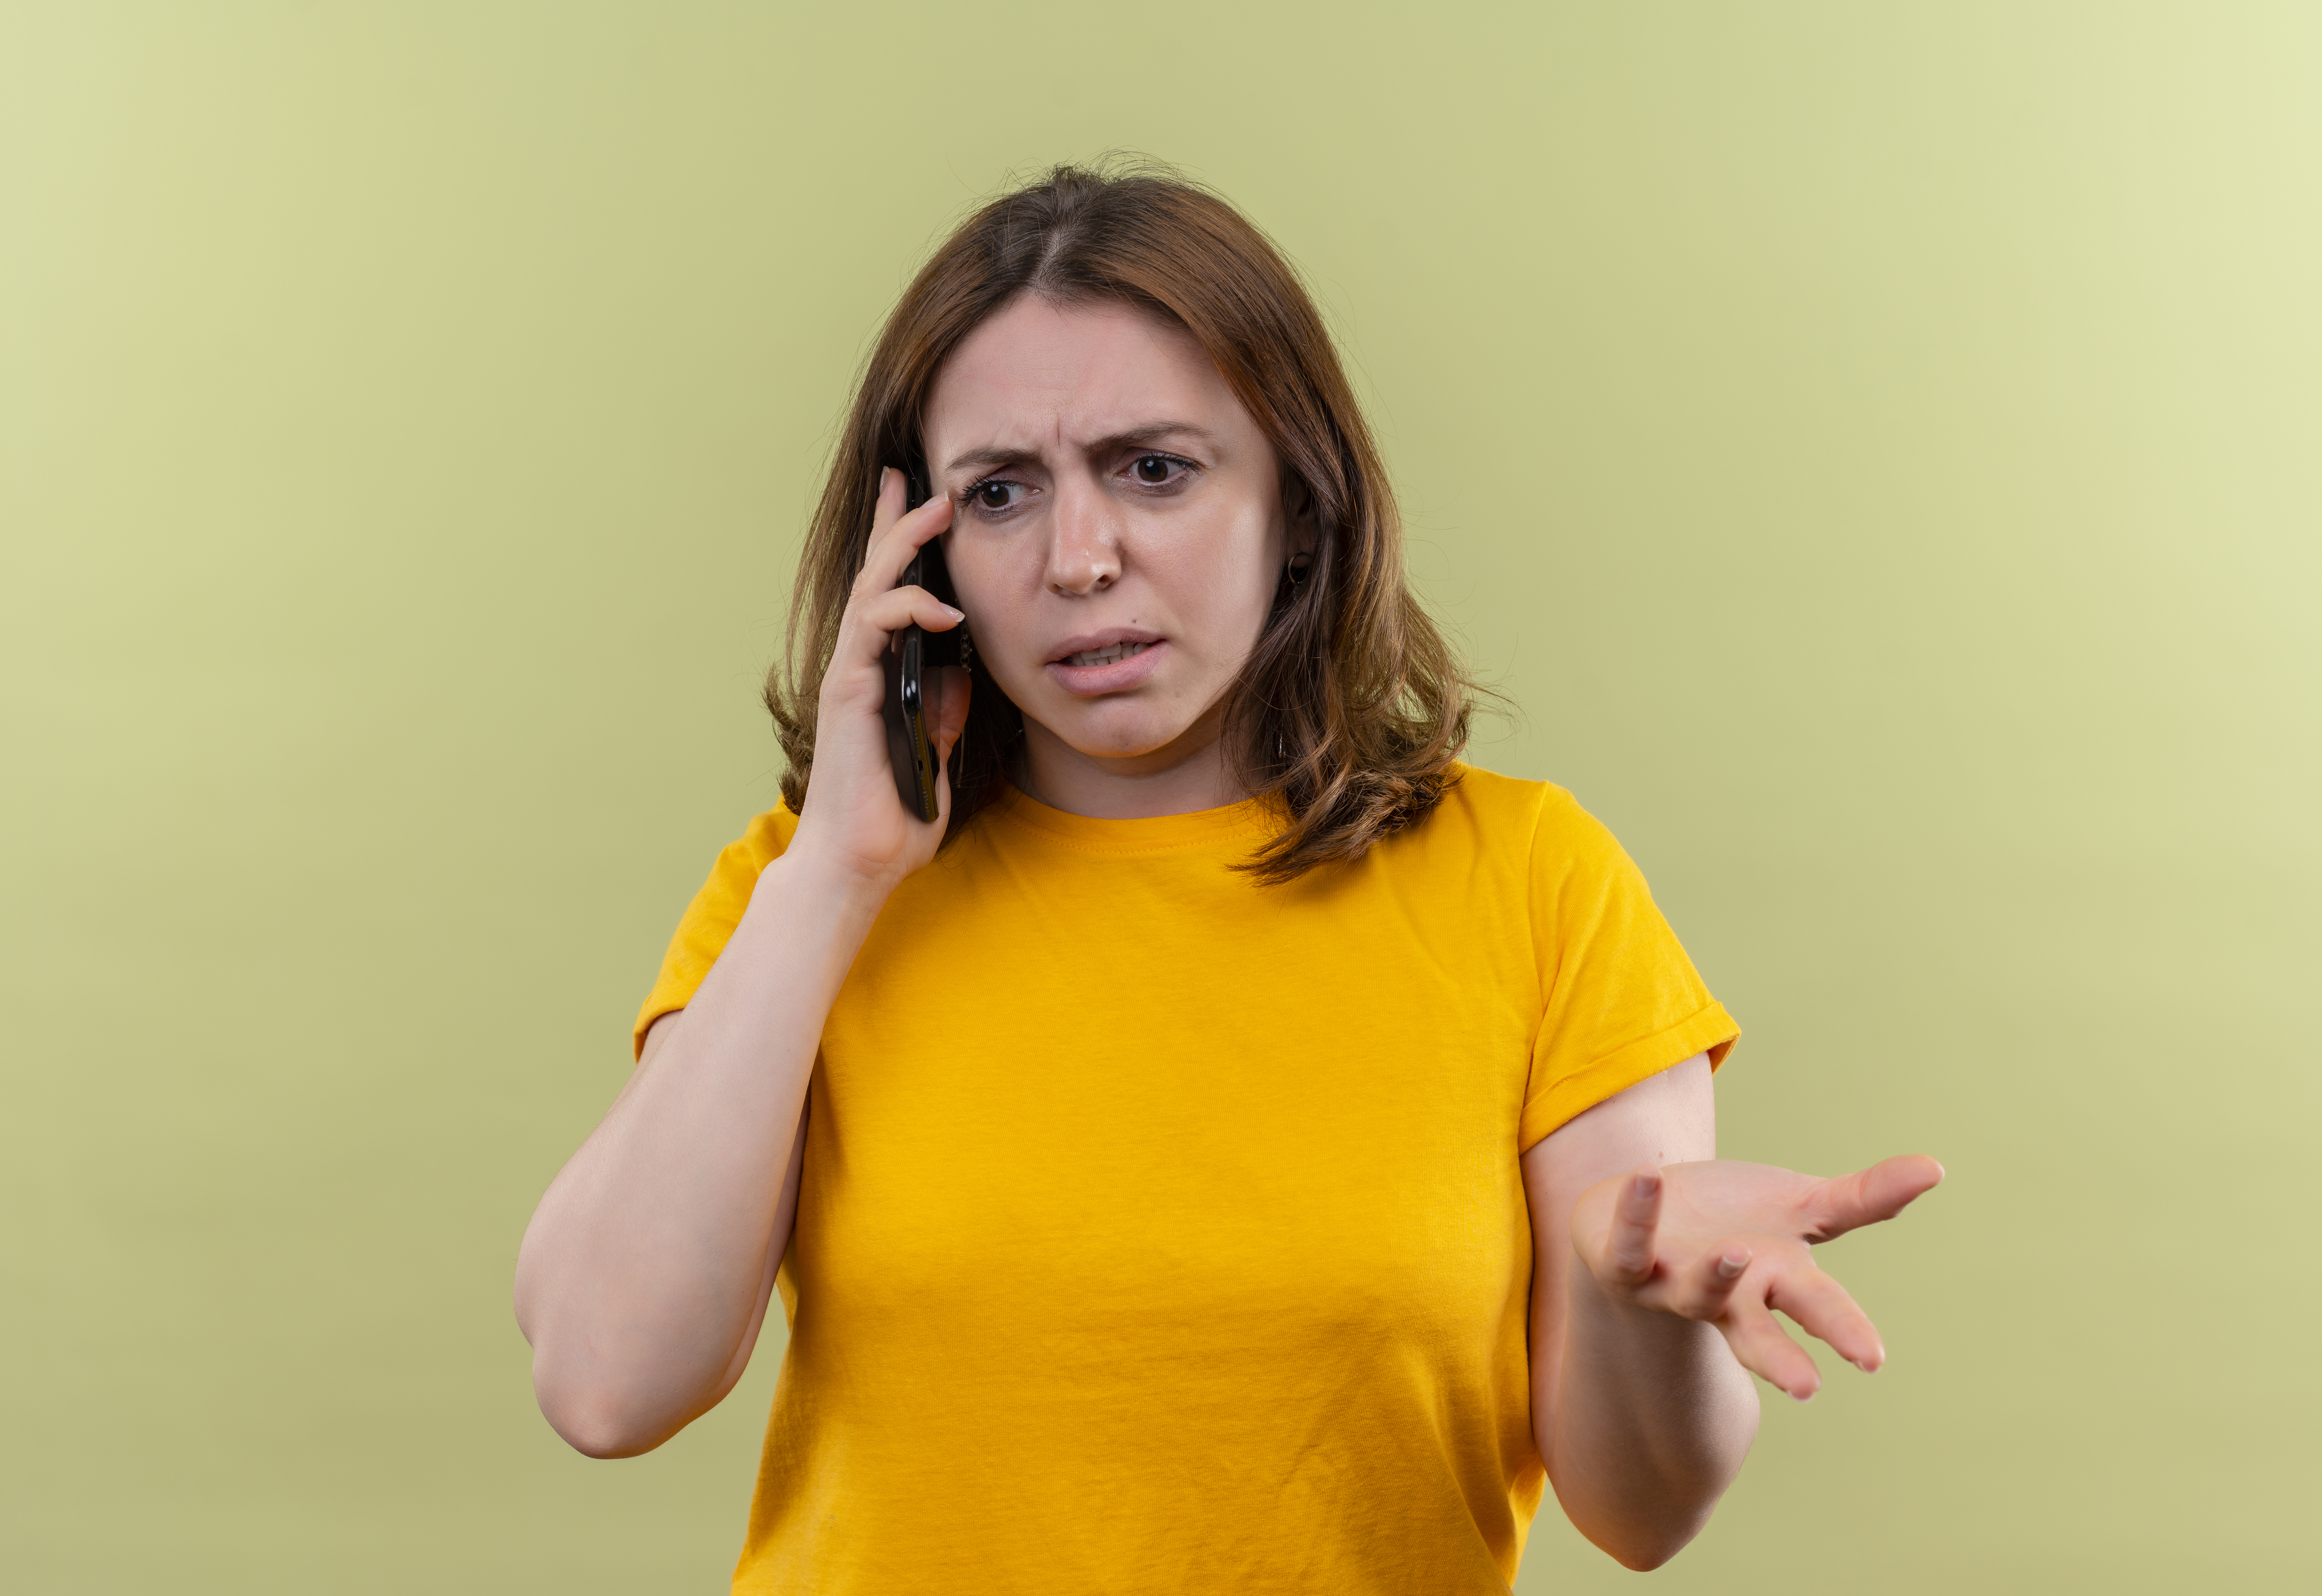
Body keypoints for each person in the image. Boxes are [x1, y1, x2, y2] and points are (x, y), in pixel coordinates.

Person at [513, 162, 1942, 1594]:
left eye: (1156, 469)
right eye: (1000, 492)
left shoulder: (1532, 878)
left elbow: (1641, 1512)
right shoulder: (801, 893)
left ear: (1299, 502)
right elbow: (603, 1382)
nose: (1080, 560)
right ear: (923, 550)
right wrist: (837, 868)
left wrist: (1645, 1305)